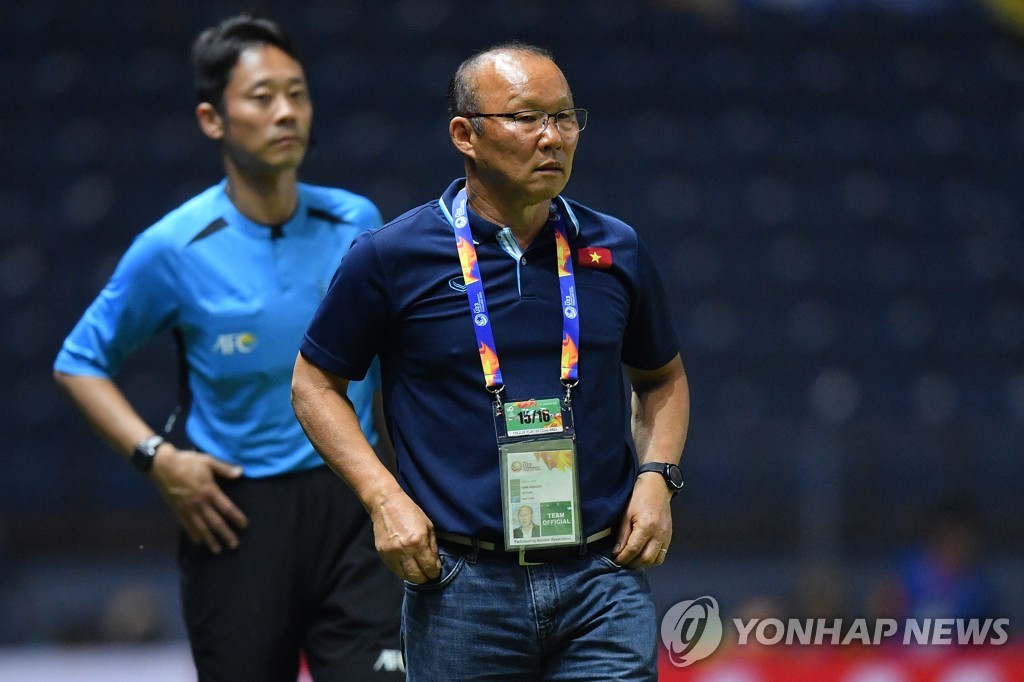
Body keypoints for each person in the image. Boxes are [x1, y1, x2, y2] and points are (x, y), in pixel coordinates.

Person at [291, 42, 690, 680]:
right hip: (461, 587)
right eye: (527, 118)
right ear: (465, 134)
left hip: (602, 578)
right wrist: (382, 499)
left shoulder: (616, 249)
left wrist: (657, 478)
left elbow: (662, 378)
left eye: (564, 118)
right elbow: (314, 382)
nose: (553, 137)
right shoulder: (390, 257)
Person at [53, 14, 403, 681]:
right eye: (263, 96)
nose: (286, 113)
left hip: (355, 506)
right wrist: (158, 458)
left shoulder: (356, 221)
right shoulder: (173, 247)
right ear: (213, 119)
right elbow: (79, 363)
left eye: (297, 94)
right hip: (237, 520)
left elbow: (390, 364)